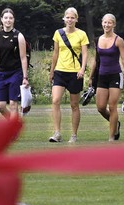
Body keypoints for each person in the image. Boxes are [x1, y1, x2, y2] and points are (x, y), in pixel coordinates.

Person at [89, 13, 124, 142]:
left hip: (115, 75)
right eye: (105, 22)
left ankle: (111, 137)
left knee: (112, 106)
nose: (106, 25)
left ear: (113, 24)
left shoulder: (118, 40)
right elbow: (95, 60)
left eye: (109, 23)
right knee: (100, 107)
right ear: (102, 23)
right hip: (101, 77)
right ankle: (115, 123)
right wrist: (90, 77)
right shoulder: (98, 39)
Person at [48, 7, 89, 143]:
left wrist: (82, 69)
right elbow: (55, 53)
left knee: (74, 105)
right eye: (68, 17)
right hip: (60, 71)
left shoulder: (82, 34)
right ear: (64, 19)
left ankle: (74, 134)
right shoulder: (58, 33)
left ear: (76, 19)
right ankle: (57, 133)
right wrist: (52, 70)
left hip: (75, 73)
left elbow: (85, 54)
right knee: (55, 100)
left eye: (72, 17)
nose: (70, 20)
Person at [0, 8, 29, 120]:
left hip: (16, 73)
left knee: (13, 104)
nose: (8, 20)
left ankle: (13, 130)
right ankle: (14, 122)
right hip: (1, 73)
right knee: (0, 105)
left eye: (10, 18)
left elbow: (23, 58)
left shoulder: (18, 36)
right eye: (6, 18)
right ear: (1, 19)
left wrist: (25, 77)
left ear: (14, 20)